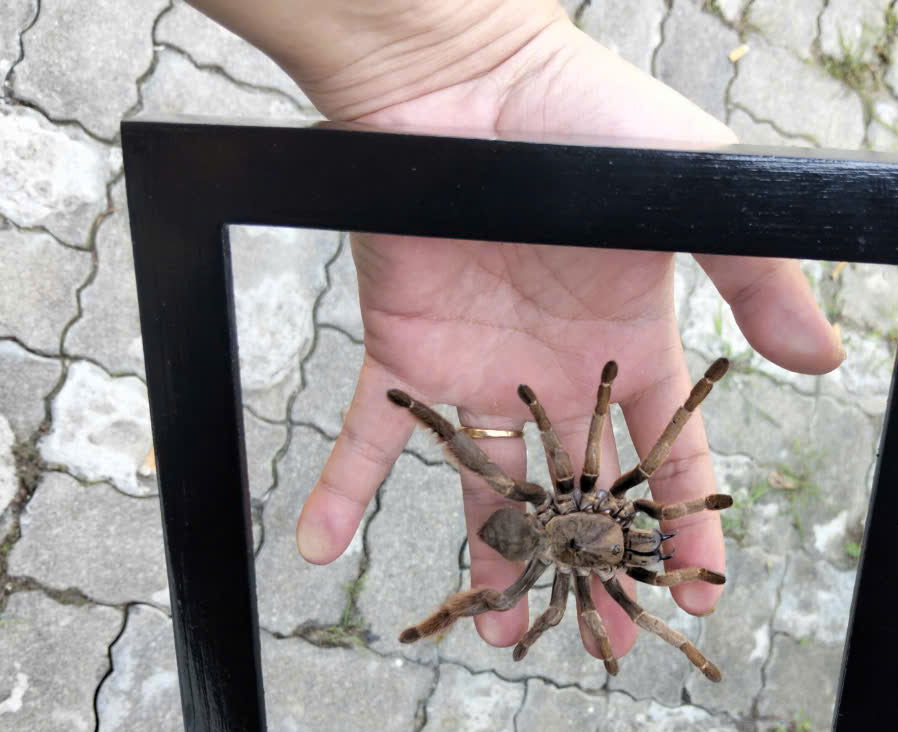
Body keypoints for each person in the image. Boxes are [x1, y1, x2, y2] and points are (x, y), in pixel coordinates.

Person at [187, 0, 845, 665]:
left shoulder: (571, 563)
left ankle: (432, 622)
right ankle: (434, 468)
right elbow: (597, 441)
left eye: (645, 549)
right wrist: (488, 52)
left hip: (535, 535)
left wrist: (544, 626)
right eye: (653, 549)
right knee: (627, 478)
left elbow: (590, 594)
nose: (644, 541)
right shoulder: (596, 504)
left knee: (522, 582)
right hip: (542, 528)